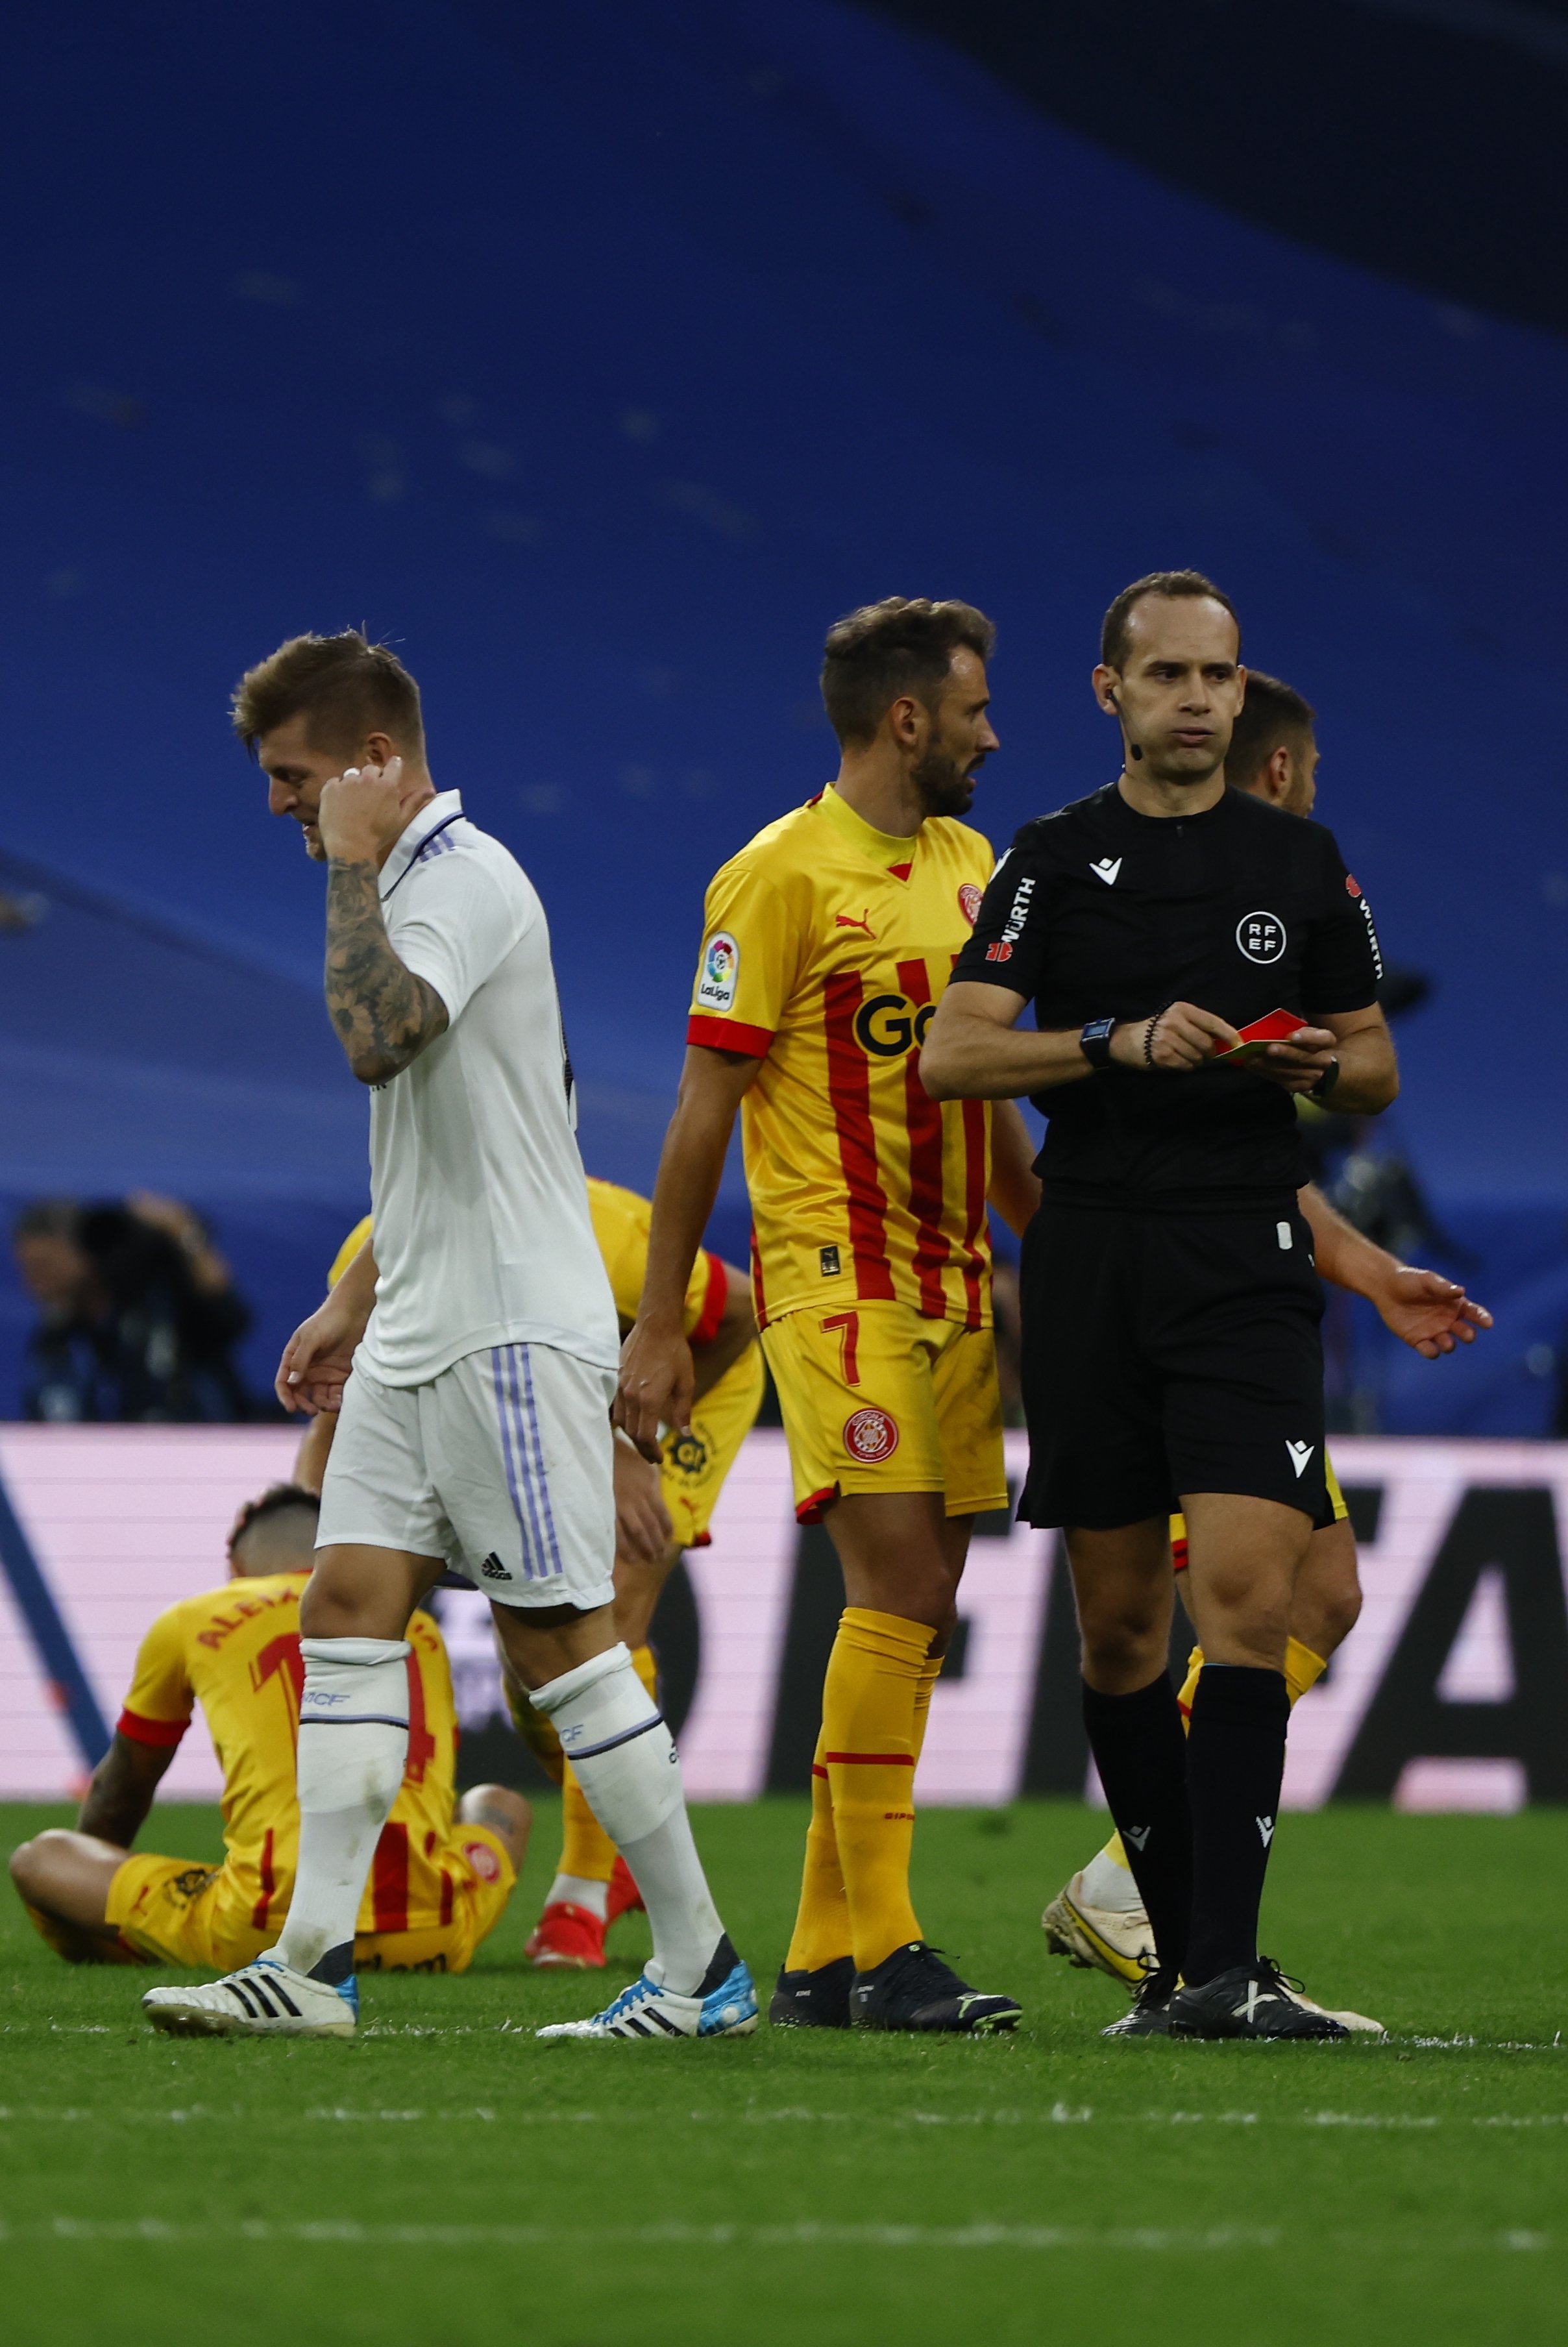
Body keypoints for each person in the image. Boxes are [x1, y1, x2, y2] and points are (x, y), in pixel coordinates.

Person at [140, 628, 753, 2043]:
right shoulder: (409, 883)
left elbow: (380, 1036)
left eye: (296, 777)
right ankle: (309, 1961)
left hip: (505, 1331)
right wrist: (357, 1292)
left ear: (372, 762)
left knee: (558, 1641)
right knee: (346, 1610)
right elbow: (436, 1126)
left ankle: (698, 1962)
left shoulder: (461, 879)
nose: (279, 805)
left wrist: (352, 861)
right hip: (420, 1322)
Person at [921, 570, 1399, 2041]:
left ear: (1241, 694)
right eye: (1171, 674)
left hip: (1245, 1255)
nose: (1199, 698)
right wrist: (1116, 1042)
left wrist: (1314, 1059)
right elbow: (951, 1056)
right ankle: (1186, 1958)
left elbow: (1375, 1064)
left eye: (1221, 676)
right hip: (1094, 1255)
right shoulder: (1050, 860)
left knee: (1246, 1596)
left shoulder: (1306, 858)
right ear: (1110, 692)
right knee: (1121, 1630)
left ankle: (1218, 1968)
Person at [617, 598, 1042, 2035]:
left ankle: (816, 1952)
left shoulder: (976, 863)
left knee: (922, 1601)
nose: (994, 733)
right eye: (975, 708)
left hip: (955, 1283)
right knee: (901, 1586)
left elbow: (983, 1095)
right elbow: (699, 1110)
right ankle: (890, 1941)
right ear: (905, 718)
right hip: (831, 1275)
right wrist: (665, 1320)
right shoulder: (775, 876)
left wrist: (1045, 1251)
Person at [1042, 673, 1492, 2008]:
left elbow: (1257, 1164)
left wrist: (1362, 1269)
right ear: (1281, 774)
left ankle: (1167, 1914)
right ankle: (1155, 1904)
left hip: (1240, 1275)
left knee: (1321, 1589)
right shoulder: (1183, 905)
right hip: (1166, 1300)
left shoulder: (1267, 903)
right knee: (1204, 1611)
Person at [305, 1190, 763, 1971]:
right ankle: (623, 1835)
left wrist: (624, 1443)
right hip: (517, 1394)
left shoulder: (608, 1246)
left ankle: (582, 1898)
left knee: (609, 1606)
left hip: (670, 1386)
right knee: (534, 1662)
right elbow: (340, 1428)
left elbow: (743, 1315)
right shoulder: (374, 1255)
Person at [8, 1484, 529, 1976]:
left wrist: (102, 1874)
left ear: (237, 1566)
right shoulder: (421, 1627)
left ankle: (160, 1954)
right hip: (430, 1934)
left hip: (264, 1928)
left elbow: (121, 1791)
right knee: (500, 1804)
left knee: (42, 1858)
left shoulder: (194, 1619)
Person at [14, 1192, 253, 1423]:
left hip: (201, 1443)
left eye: (44, 1265)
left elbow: (228, 1314)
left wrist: (186, 1233)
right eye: (26, 1268)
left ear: (85, 1253)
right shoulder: (56, 1339)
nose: (34, 1281)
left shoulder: (160, 1307)